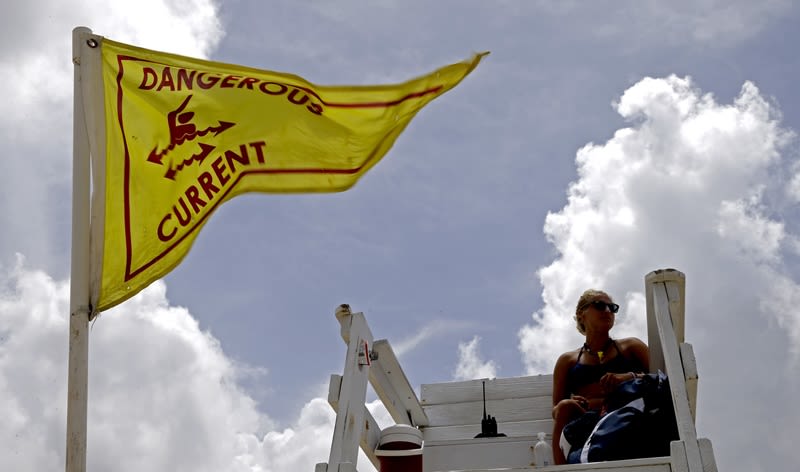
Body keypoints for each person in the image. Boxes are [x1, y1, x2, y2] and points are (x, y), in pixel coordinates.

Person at [551, 289, 649, 464]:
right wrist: (571, 404)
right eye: (599, 305)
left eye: (613, 307)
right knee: (565, 406)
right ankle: (561, 468)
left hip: (624, 415)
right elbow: (556, 409)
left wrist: (627, 377)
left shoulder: (631, 347)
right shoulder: (568, 361)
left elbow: (660, 379)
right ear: (581, 315)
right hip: (586, 423)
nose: (607, 311)